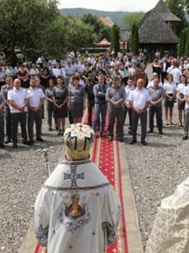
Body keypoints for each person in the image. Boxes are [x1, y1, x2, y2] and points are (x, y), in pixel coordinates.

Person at [34, 123, 121, 253]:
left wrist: (47, 240)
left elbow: (40, 220)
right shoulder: (102, 185)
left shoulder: (51, 186)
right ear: (89, 148)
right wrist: (107, 238)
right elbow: (113, 216)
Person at [7, 78, 29, 148]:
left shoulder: (24, 90)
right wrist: (18, 107)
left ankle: (24, 139)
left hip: (23, 111)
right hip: (14, 112)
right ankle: (14, 141)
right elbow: (10, 101)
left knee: (23, 126)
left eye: (19, 82)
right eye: (16, 83)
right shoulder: (10, 92)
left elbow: (27, 100)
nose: (18, 84)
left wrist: (23, 106)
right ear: (14, 83)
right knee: (14, 127)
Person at [128, 78, 151, 145]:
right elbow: (131, 102)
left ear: (143, 83)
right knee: (134, 125)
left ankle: (143, 139)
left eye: (141, 83)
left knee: (143, 126)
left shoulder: (146, 92)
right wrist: (135, 109)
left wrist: (144, 109)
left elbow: (148, 101)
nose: (140, 84)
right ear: (136, 83)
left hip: (143, 111)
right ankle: (133, 138)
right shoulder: (132, 91)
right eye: (139, 83)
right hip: (135, 111)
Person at [106, 76, 126, 142]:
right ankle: (110, 135)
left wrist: (118, 102)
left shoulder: (122, 89)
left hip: (120, 108)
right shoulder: (109, 88)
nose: (116, 84)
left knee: (120, 122)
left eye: (117, 83)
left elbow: (124, 97)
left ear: (119, 82)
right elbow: (107, 97)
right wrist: (113, 102)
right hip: (112, 108)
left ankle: (120, 136)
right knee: (111, 122)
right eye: (115, 83)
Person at [26, 77, 45, 143]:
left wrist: (39, 106)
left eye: (34, 82)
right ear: (30, 83)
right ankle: (31, 138)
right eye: (32, 82)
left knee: (39, 123)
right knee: (30, 125)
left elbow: (42, 98)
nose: (33, 83)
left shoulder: (39, 90)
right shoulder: (27, 91)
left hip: (38, 109)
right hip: (30, 109)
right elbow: (26, 101)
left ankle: (38, 136)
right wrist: (31, 108)